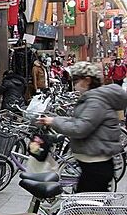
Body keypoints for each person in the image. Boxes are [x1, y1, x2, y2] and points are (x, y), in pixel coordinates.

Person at [38, 62, 127, 192]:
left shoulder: (96, 101)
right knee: (88, 206)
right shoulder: (93, 98)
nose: (74, 84)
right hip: (93, 163)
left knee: (88, 208)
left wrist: (54, 122)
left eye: (76, 80)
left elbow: (80, 128)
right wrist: (55, 120)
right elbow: (80, 121)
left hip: (96, 164)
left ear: (87, 80)